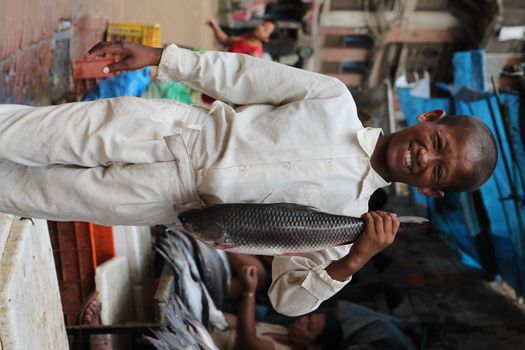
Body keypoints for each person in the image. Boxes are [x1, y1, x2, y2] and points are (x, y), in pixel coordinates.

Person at [0, 41, 498, 316]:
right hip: (166, 132)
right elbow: (240, 75)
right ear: (430, 118)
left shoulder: (345, 223)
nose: (422, 158)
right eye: (436, 144)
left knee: (34, 194)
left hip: (165, 202)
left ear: (432, 190)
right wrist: (160, 58)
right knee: (25, 132)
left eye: (437, 172)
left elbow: (287, 299)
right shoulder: (333, 101)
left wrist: (353, 262)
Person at [212, 265, 343, 350]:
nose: (302, 321)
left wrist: (249, 292)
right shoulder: (283, 330)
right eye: (308, 317)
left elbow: (247, 341)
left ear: (314, 347)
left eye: (309, 327)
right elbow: (236, 323)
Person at [206, 17, 275, 57]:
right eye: (262, 24)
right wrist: (215, 26)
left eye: (265, 30)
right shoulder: (247, 37)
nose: (260, 28)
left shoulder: (255, 53)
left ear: (267, 39)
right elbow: (225, 41)